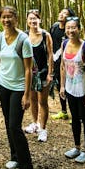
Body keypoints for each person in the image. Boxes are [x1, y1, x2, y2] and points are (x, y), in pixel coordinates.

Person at [0, 6, 35, 169]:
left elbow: (28, 69)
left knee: (15, 126)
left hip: (18, 88)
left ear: (16, 18)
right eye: (3, 17)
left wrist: (27, 94)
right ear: (0, 19)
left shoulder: (23, 40)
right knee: (8, 122)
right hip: (3, 85)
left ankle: (27, 167)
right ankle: (15, 157)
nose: (6, 20)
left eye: (10, 17)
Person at [59, 15, 85, 163]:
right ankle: (76, 147)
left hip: (83, 88)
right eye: (68, 28)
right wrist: (62, 86)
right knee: (74, 119)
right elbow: (63, 66)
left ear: (79, 29)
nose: (70, 30)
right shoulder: (64, 44)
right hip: (70, 88)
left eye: (73, 27)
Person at [22, 9, 53, 142]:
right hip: (30, 73)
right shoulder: (24, 35)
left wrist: (50, 73)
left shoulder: (46, 35)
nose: (33, 21)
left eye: (35, 18)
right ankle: (34, 123)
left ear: (39, 20)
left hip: (43, 73)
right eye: (30, 19)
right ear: (27, 21)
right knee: (32, 99)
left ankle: (43, 129)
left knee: (43, 102)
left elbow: (51, 55)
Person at [50, 7, 75, 120]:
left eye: (65, 13)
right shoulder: (54, 27)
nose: (61, 14)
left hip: (68, 64)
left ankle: (75, 114)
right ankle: (63, 111)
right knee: (60, 85)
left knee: (70, 87)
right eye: (61, 12)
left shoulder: (69, 30)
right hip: (56, 62)